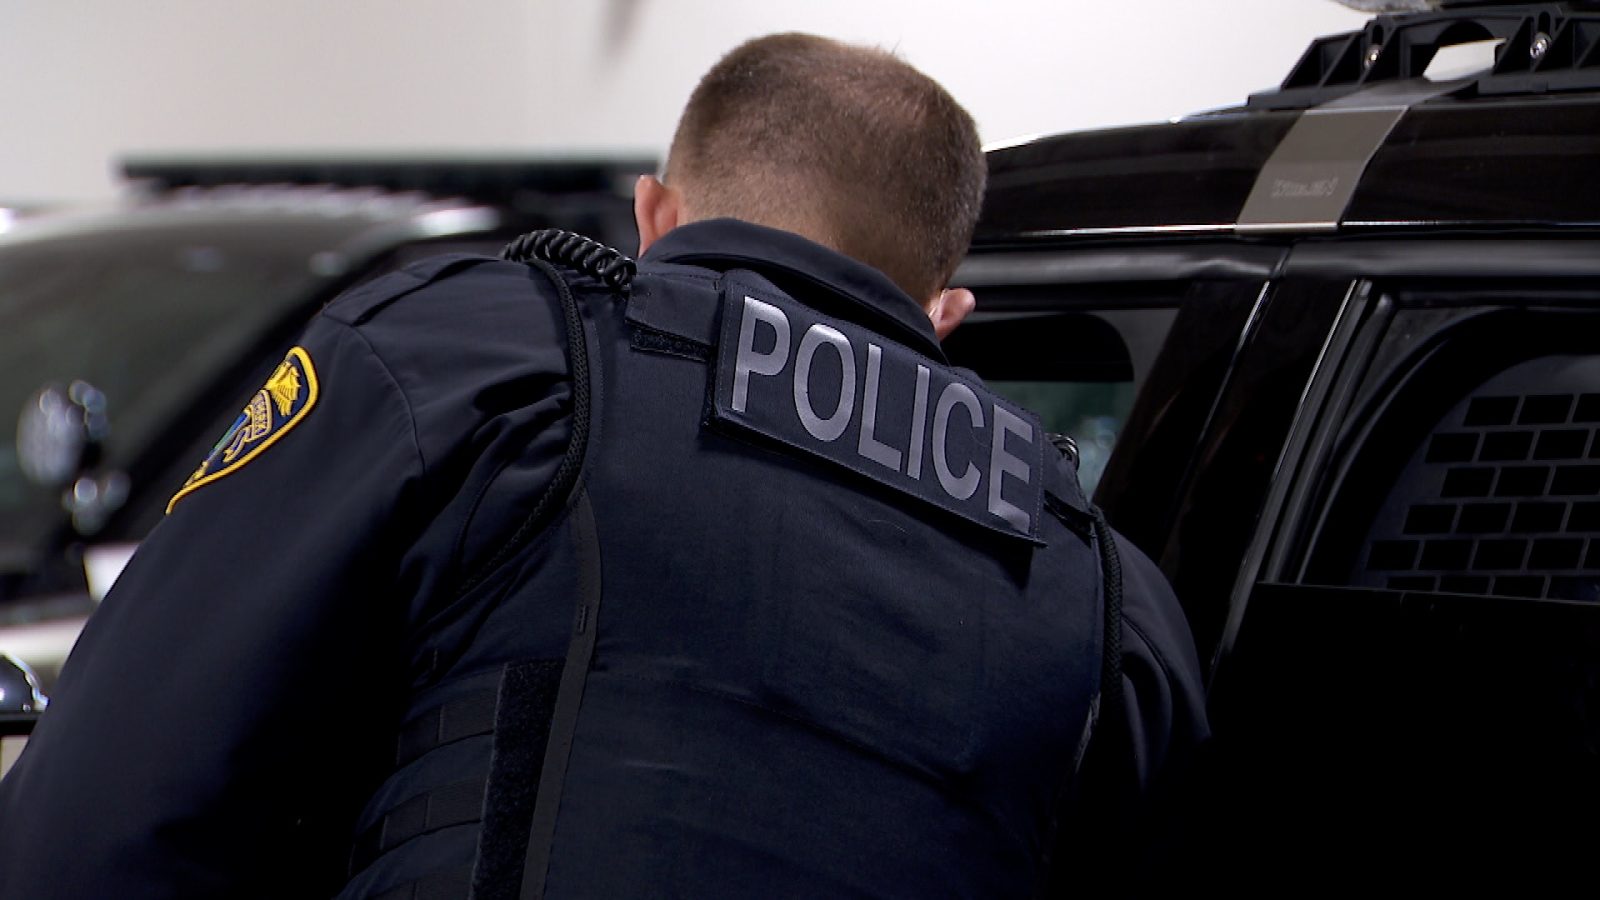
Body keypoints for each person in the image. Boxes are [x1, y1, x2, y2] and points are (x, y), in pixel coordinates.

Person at [0, 33, 1207, 899]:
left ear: (654, 216)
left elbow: (98, 822)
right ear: (945, 314)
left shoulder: (474, 359)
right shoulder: (1116, 608)